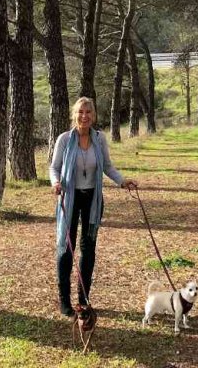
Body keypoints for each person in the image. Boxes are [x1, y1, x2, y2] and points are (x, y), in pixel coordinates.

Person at [49, 96, 137, 316]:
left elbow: (107, 166)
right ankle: (64, 301)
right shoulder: (64, 139)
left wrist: (122, 181)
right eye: (80, 112)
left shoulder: (99, 138)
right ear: (74, 115)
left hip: (93, 199)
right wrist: (56, 183)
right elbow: (54, 168)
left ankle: (84, 299)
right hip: (69, 199)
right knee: (66, 249)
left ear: (94, 115)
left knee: (88, 250)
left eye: (88, 112)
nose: (84, 116)